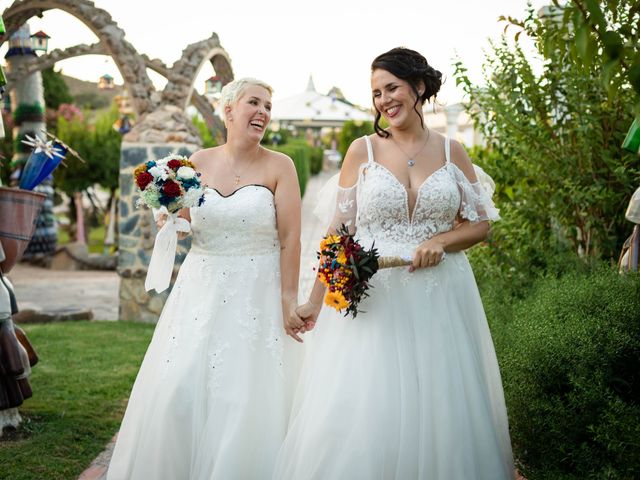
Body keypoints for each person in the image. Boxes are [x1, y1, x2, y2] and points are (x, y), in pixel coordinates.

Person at [274, 48, 514, 479]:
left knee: (440, 406)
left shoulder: (451, 151)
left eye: (392, 88)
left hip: (439, 297)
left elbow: (480, 225)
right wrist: (314, 300)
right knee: (367, 408)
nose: (384, 100)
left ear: (418, 87)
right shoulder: (361, 150)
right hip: (374, 304)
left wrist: (441, 239)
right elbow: (338, 234)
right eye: (376, 93)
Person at [107, 78, 305, 480]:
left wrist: (287, 299)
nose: (264, 112)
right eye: (254, 103)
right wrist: (165, 212)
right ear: (228, 110)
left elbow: (291, 238)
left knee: (245, 400)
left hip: (257, 294)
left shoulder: (280, 165)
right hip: (200, 292)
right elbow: (184, 222)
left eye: (269, 105)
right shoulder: (196, 161)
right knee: (178, 393)